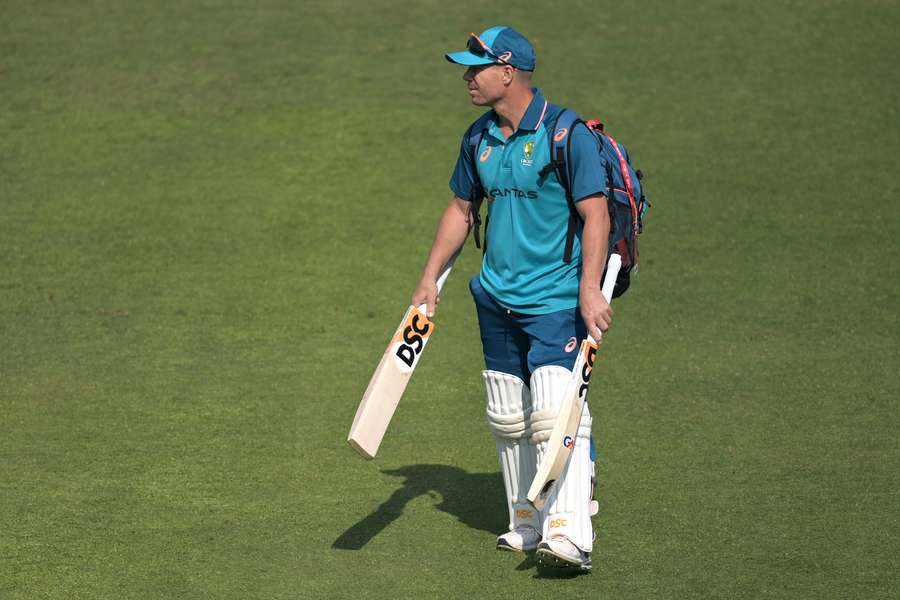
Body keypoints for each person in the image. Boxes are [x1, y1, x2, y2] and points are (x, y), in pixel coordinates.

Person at [411, 26, 613, 572]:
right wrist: (430, 277)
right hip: (495, 296)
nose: (466, 78)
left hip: (555, 297)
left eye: (475, 68)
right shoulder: (479, 137)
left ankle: (570, 531)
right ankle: (527, 518)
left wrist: (589, 289)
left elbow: (597, 213)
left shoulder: (566, 134)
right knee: (507, 416)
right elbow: (461, 209)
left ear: (507, 71)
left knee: (554, 410)